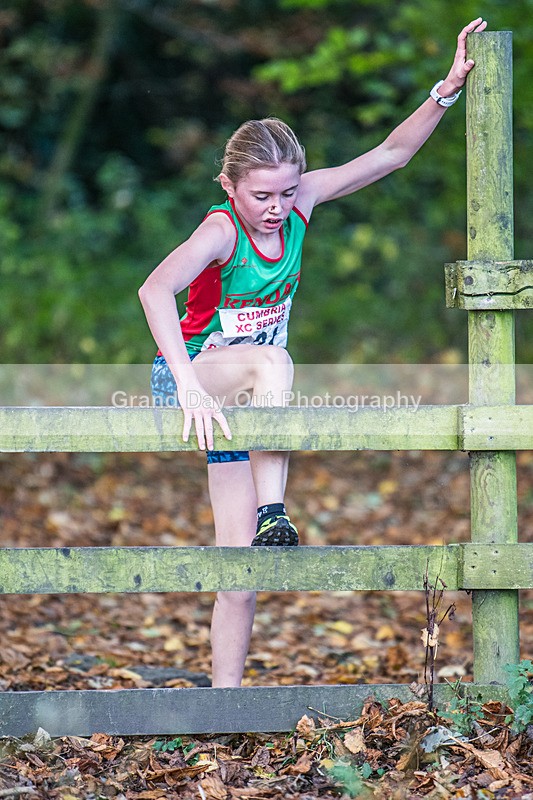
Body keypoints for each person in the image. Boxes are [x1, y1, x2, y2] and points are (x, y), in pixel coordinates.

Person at [138, 17, 487, 687]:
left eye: (287, 191)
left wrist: (443, 91)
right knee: (275, 361)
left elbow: (389, 155)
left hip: (250, 405)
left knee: (240, 571)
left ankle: (226, 705)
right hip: (194, 381)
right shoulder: (218, 233)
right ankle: (278, 510)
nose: (276, 208)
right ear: (230, 188)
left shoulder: (300, 206)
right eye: (261, 195)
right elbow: (154, 292)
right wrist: (183, 382)